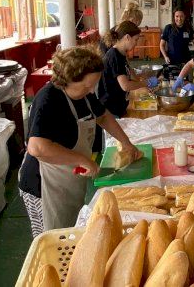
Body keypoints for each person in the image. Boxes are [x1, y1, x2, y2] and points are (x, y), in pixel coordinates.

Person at [18, 45, 142, 236]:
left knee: (70, 229)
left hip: (70, 178)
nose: (91, 89)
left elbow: (103, 117)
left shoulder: (85, 96)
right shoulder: (48, 99)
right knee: (52, 237)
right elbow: (37, 147)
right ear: (68, 80)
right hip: (42, 183)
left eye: (93, 84)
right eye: (87, 85)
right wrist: (82, 159)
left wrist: (126, 142)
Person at [99, 21, 158, 118]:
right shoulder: (114, 56)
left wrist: (144, 86)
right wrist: (147, 83)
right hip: (111, 109)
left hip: (119, 105)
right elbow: (125, 86)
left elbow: (129, 70)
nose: (136, 43)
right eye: (135, 39)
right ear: (127, 37)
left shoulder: (121, 53)